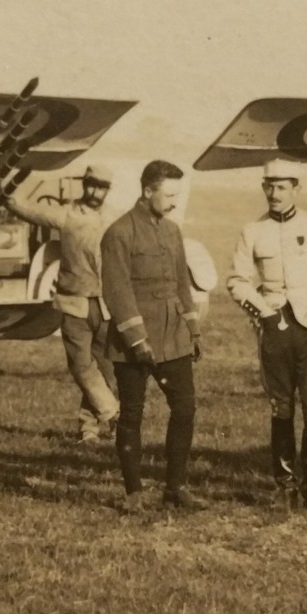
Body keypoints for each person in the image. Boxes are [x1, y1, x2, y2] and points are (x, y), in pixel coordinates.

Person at [226, 158, 307, 508]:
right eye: (268, 186)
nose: (273, 193)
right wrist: (264, 314)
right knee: (280, 407)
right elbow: (236, 280)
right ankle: (283, 486)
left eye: (281, 187)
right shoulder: (253, 230)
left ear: (297, 189)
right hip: (274, 330)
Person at [98, 160, 202, 512]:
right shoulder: (118, 233)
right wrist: (138, 340)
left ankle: (175, 488)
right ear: (147, 191)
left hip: (173, 334)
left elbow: (181, 283)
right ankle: (134, 494)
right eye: (168, 194)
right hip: (134, 342)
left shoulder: (172, 231)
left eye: (177, 194)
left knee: (185, 409)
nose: (174, 202)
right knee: (132, 415)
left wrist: (192, 327)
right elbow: (117, 290)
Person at [1, 164, 121, 441]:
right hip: (73, 302)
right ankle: (113, 414)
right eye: (90, 184)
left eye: (101, 187)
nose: (94, 191)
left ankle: (89, 429)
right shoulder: (66, 213)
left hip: (106, 304)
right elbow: (28, 210)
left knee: (107, 369)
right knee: (80, 365)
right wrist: (6, 195)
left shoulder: (115, 219)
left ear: (107, 190)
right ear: (84, 184)